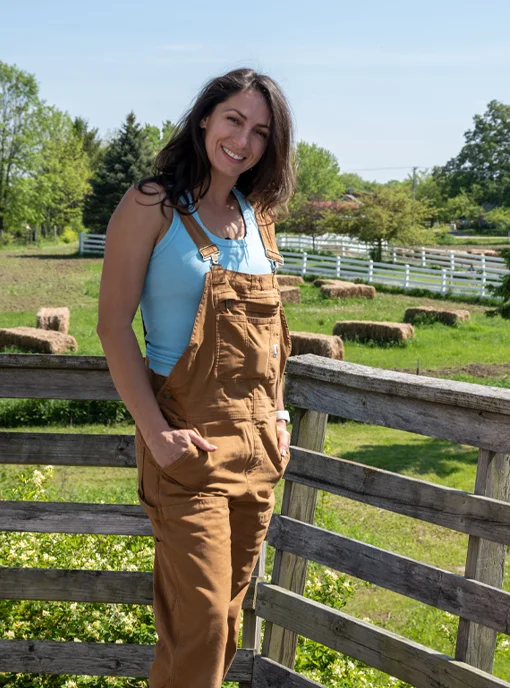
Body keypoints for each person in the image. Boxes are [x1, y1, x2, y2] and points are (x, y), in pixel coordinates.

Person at [96, 68, 296, 688]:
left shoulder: (256, 215)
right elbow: (110, 326)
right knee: (204, 621)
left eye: (261, 132)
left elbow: (273, 338)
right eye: (234, 119)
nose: (244, 140)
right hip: (188, 443)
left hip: (259, 448)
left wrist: (282, 416)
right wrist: (155, 435)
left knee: (217, 624)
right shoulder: (151, 203)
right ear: (205, 117)